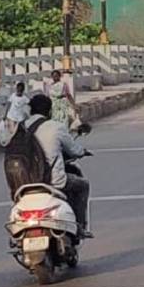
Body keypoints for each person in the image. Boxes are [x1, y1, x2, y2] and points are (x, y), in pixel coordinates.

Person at [24, 94, 92, 238]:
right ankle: (79, 226)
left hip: (24, 183)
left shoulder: (21, 129)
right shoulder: (56, 127)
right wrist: (83, 152)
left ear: (30, 110)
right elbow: (74, 150)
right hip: (54, 181)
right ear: (49, 111)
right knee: (83, 185)